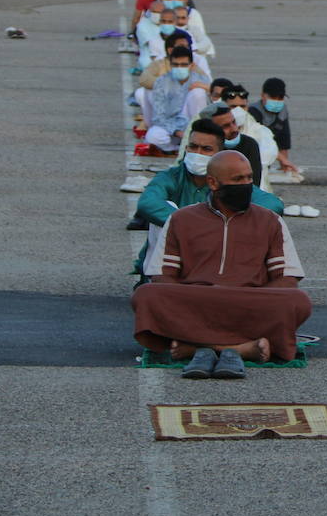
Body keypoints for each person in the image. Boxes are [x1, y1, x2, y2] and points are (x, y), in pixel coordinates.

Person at [134, 151, 312, 377]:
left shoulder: (269, 221)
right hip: (196, 301)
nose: (246, 184)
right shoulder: (182, 219)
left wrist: (251, 297)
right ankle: (242, 348)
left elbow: (287, 278)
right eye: (238, 180)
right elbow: (162, 275)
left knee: (298, 301)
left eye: (249, 178)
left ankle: (196, 346)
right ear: (212, 183)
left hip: (247, 301)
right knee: (146, 295)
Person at [135, 119, 283, 264]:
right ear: (186, 148)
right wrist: (195, 224)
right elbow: (147, 202)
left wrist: (228, 224)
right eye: (193, 147)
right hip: (176, 250)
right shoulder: (171, 177)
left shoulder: (229, 180)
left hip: (219, 249)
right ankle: (157, 281)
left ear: (220, 154)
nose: (197, 153)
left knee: (258, 218)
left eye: (206, 149)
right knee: (165, 210)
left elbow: (273, 204)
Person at [142, 47, 209, 153]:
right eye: (175, 65)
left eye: (183, 65)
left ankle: (195, 140)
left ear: (191, 65)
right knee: (153, 137)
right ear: (170, 65)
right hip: (171, 128)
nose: (179, 68)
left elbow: (214, 105)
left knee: (198, 93)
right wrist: (178, 132)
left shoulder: (201, 79)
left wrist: (207, 88)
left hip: (194, 127)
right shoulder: (161, 82)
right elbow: (159, 117)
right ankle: (178, 149)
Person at [249, 78, 296, 176]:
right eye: (273, 97)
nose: (277, 101)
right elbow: (260, 139)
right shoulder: (253, 112)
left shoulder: (283, 111)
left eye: (280, 98)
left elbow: (284, 140)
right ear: (263, 95)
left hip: (268, 155)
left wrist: (284, 165)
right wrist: (282, 159)